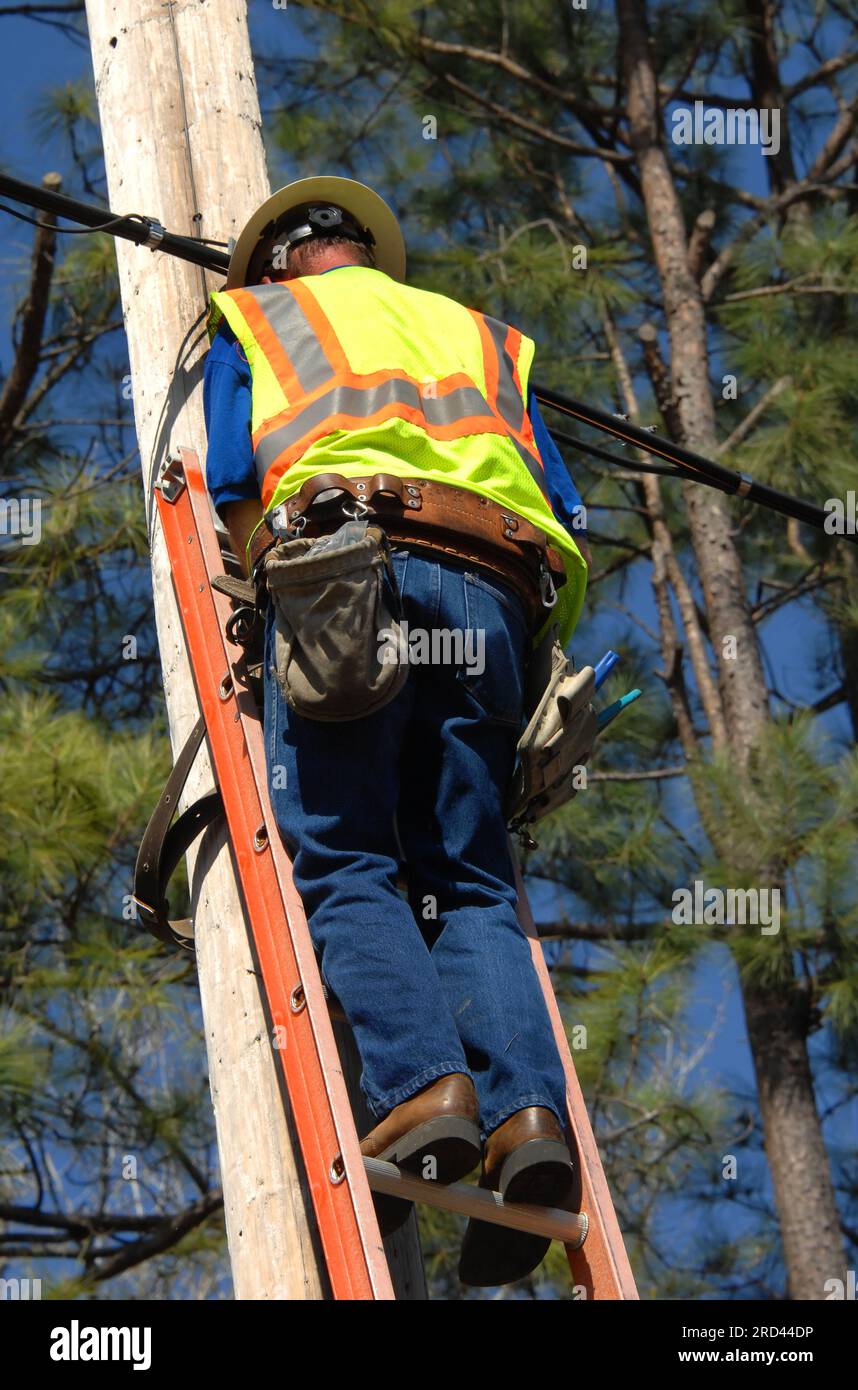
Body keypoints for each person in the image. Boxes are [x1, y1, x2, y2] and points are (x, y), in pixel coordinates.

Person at [203, 177, 589, 1286]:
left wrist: (269, 598)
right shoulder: (481, 340)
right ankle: (527, 1123)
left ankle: (422, 1087)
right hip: (501, 591)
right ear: (368, 252)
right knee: (468, 879)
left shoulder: (261, 320)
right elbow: (564, 510)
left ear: (279, 264)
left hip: (348, 570)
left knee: (347, 854)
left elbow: (234, 484)